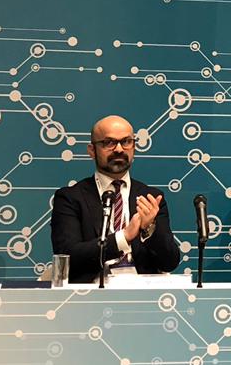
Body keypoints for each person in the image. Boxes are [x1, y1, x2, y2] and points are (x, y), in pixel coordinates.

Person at [51, 115, 181, 282]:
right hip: (92, 292)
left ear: (134, 147)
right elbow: (67, 257)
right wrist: (123, 237)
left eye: (126, 141)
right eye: (109, 142)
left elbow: (170, 263)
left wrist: (149, 230)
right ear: (92, 150)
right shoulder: (70, 198)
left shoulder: (151, 198)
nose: (119, 149)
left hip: (143, 291)